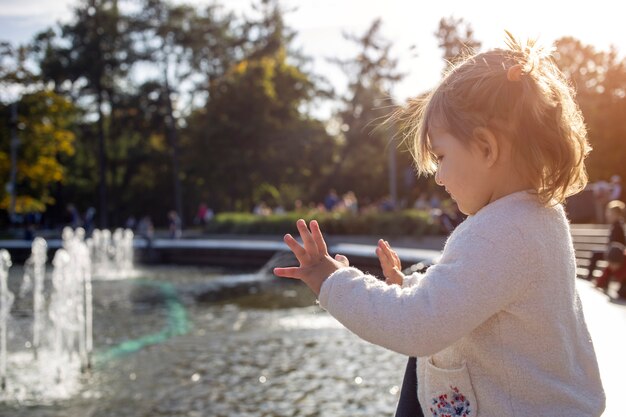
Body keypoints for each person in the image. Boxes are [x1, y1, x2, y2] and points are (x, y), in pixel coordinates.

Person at [273, 34, 605, 417]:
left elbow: (417, 326)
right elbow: (477, 299)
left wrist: (331, 281)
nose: (439, 177)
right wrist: (410, 287)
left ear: (486, 148)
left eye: (442, 156)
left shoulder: (502, 233)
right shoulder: (537, 217)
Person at [585, 199, 625, 280]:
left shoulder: (618, 226)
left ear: (616, 214)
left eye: (610, 213)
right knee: (596, 252)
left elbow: (618, 243)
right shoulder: (616, 225)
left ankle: (589, 277)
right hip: (612, 251)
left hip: (615, 253)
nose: (607, 215)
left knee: (596, 254)